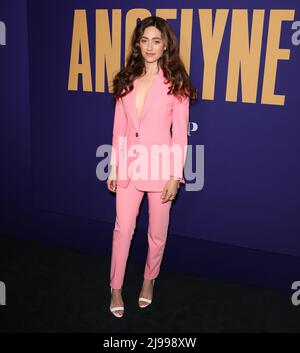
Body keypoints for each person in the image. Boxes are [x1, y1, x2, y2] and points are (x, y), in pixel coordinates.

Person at [106, 16, 197, 318]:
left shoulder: (177, 83)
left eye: (156, 40)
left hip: (161, 170)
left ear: (165, 45)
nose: (149, 46)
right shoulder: (126, 80)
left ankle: (148, 282)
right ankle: (115, 287)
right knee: (123, 230)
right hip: (129, 169)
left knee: (157, 233)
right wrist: (114, 166)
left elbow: (180, 134)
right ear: (138, 43)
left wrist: (175, 176)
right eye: (144, 40)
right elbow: (119, 129)